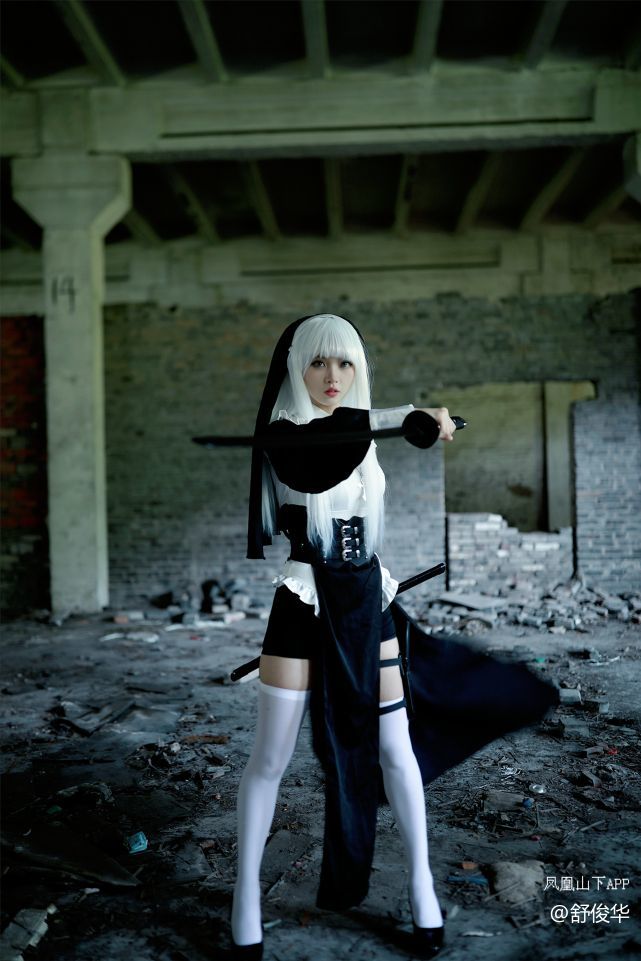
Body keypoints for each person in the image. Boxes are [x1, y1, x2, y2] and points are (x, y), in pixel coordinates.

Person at [230, 314, 557, 960]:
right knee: (269, 758)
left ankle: (421, 887)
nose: (332, 376)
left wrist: (420, 418)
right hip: (304, 600)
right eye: (318, 362)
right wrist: (404, 416)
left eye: (345, 363)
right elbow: (324, 451)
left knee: (395, 747)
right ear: (295, 366)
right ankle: (244, 899)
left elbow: (363, 429)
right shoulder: (288, 435)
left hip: (366, 599)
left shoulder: (359, 431)